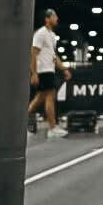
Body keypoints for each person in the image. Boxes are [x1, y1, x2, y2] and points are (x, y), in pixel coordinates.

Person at [29, 9, 71, 139]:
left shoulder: (52, 36)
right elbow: (33, 53)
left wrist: (63, 69)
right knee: (49, 96)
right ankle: (52, 128)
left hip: (50, 70)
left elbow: (53, 56)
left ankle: (20, 123)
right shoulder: (40, 34)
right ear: (47, 19)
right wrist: (34, 73)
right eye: (54, 16)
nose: (57, 18)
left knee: (40, 98)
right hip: (43, 71)